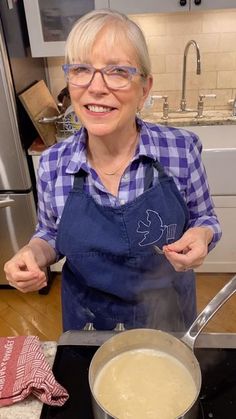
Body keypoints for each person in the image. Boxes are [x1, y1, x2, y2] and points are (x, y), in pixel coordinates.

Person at [4, 9, 221, 332]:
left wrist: (202, 236)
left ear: (144, 88)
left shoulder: (180, 150)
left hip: (168, 316)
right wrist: (31, 254)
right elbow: (49, 235)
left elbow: (206, 220)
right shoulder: (53, 164)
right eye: (81, 69)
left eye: (117, 71)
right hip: (89, 322)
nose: (96, 87)